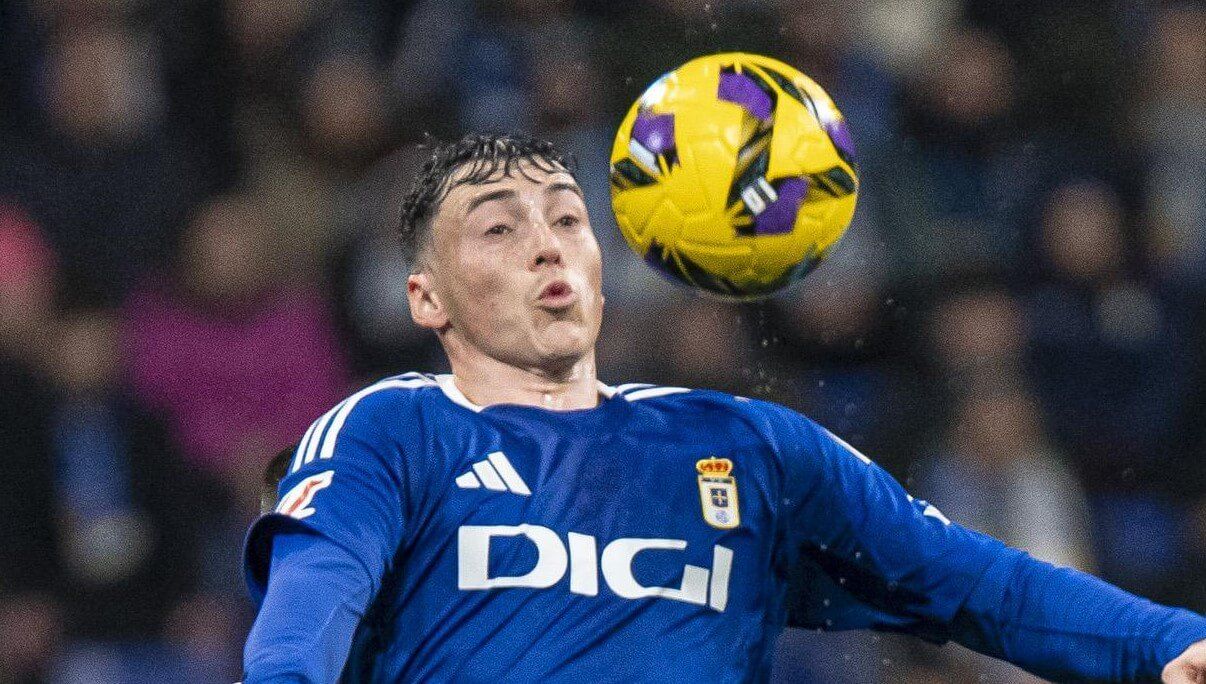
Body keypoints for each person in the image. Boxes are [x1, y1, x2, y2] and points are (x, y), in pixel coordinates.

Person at [241, 133, 1206, 683]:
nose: (548, 245)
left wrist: (1171, 643)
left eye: (569, 219)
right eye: (498, 227)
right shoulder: (394, 427)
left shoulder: (747, 445)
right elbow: (308, 616)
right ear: (427, 299)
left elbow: (975, 583)